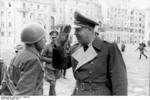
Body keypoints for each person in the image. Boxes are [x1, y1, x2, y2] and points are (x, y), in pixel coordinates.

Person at [53, 11, 128, 95]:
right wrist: (59, 45)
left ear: (90, 29)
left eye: (78, 30)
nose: (74, 34)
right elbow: (60, 65)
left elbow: (120, 83)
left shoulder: (108, 48)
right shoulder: (76, 49)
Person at [8, 23, 46, 95]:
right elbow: (24, 93)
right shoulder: (33, 60)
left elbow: (7, 84)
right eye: (43, 38)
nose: (46, 40)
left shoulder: (17, 55)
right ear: (35, 40)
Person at [40, 30, 61, 95]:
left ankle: (51, 95)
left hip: (57, 69)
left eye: (55, 37)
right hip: (49, 68)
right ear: (50, 38)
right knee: (52, 83)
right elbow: (41, 57)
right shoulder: (47, 46)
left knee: (53, 84)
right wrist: (51, 60)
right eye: (53, 37)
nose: (54, 39)